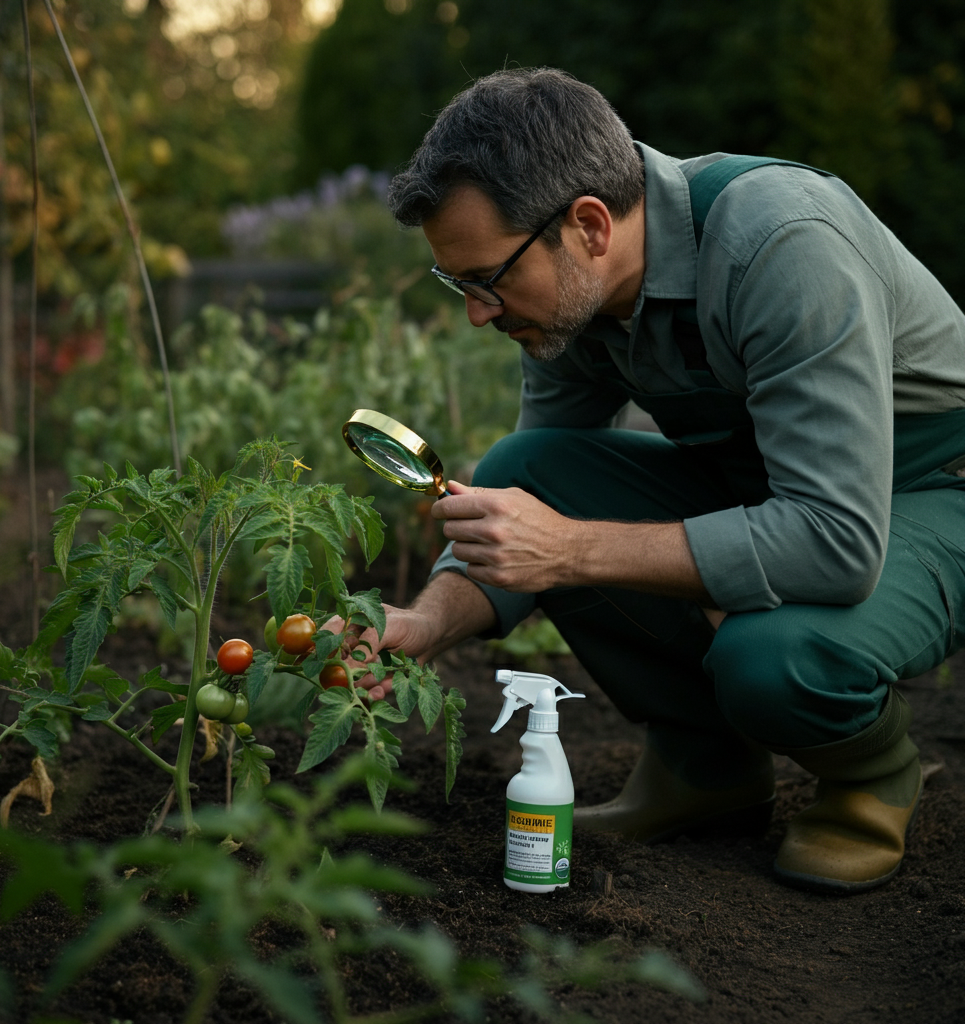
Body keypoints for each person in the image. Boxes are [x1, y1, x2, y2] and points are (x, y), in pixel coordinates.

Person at [349, 67, 965, 893]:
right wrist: (426, 623)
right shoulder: (573, 304)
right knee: (522, 469)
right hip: (789, 494)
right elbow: (537, 502)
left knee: (775, 656)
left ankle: (872, 776)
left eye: (488, 281)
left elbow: (836, 543)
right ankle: (705, 769)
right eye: (457, 285)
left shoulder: (783, 246)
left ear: (590, 224)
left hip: (934, 487)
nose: (478, 313)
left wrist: (570, 550)